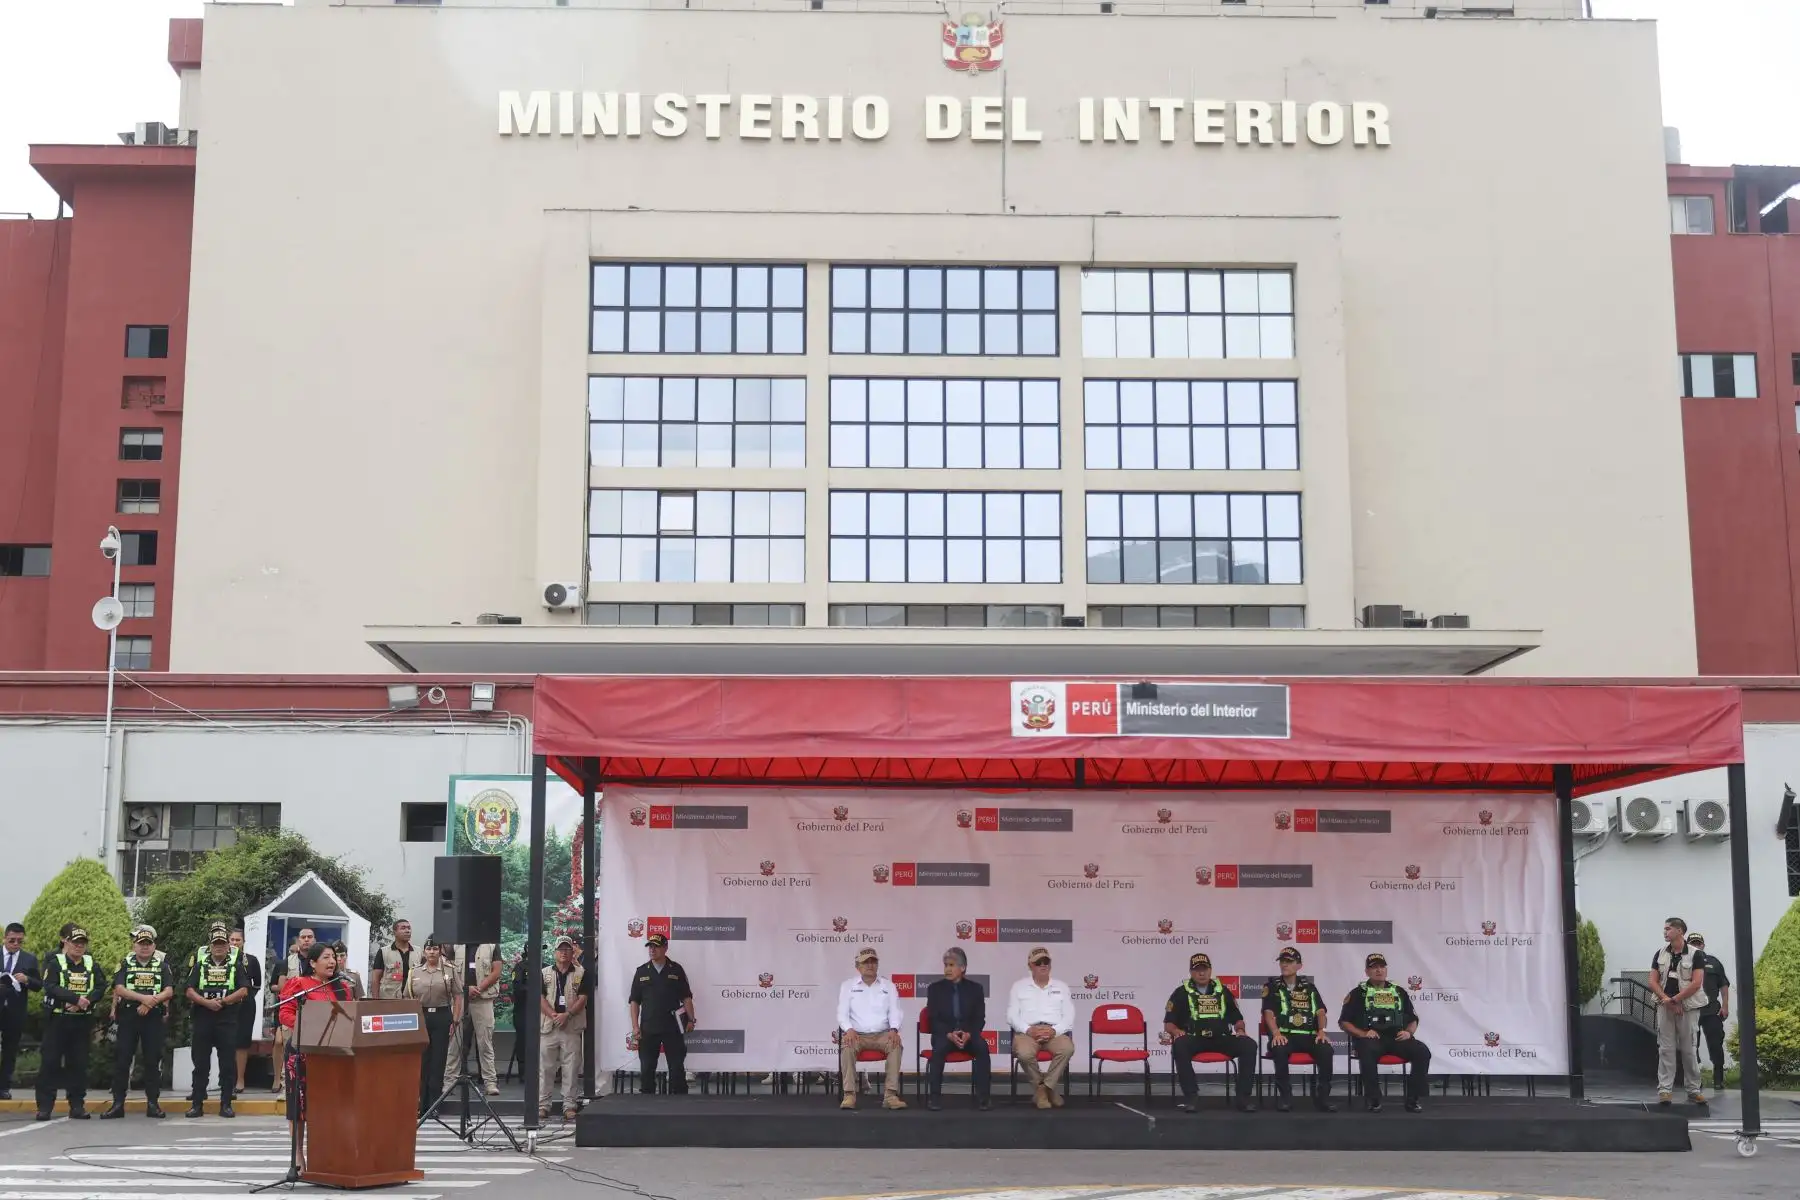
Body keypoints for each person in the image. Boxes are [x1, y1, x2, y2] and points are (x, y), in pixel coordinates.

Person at [277, 942, 355, 1168]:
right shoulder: (299, 984)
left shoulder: (342, 987)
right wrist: (308, 1029)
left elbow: (349, 1017)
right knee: (299, 1108)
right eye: (326, 957)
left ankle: (327, 1157)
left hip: (332, 1055)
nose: (332, 961)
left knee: (329, 1107)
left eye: (334, 957)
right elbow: (285, 1013)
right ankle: (298, 1156)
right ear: (312, 963)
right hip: (303, 1054)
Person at [1164, 951, 1258, 1113]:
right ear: (1191, 972)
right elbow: (1169, 1023)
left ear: (1210, 970)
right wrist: (1176, 1031)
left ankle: (1243, 1097)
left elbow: (1237, 1017)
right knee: (1179, 1046)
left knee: (1249, 1045)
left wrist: (1240, 1029)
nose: (1201, 973)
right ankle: (1191, 1096)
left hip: (1221, 1038)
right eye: (1197, 969)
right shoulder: (1181, 993)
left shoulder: (1222, 991)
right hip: (1195, 1039)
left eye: (1205, 969)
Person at [1338, 952, 1430, 1113]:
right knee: (1366, 1051)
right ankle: (1373, 1099)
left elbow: (1413, 1018)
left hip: (1397, 1038)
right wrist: (1362, 1033)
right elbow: (1344, 1022)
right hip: (1371, 1038)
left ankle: (1413, 1099)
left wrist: (1409, 1032)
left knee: (1422, 1052)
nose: (1378, 971)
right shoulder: (1357, 993)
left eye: (1381, 967)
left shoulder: (1399, 992)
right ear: (1367, 972)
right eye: (1374, 968)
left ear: (1386, 969)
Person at [105, 925, 176, 1119]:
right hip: (128, 1016)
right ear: (134, 945)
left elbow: (169, 991)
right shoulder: (125, 963)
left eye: (148, 944)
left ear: (154, 946)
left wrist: (151, 1002)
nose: (144, 947)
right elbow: (119, 988)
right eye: (141, 944)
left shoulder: (162, 965)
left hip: (153, 1018)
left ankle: (153, 1104)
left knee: (153, 1062)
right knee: (122, 1060)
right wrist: (142, 999)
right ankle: (117, 1104)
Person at [36, 923, 105, 1121]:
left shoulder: (91, 963)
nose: (79, 946)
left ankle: (77, 1106)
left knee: (79, 1065)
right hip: (57, 1020)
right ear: (67, 943)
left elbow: (101, 986)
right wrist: (74, 1000)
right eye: (75, 942)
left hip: (81, 1021)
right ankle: (45, 1108)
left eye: (82, 943)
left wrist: (86, 1002)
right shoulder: (55, 962)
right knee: (50, 1064)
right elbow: (50, 986)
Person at [185, 921, 248, 1118]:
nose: (219, 947)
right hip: (203, 1017)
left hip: (227, 1018)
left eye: (222, 944)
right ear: (210, 946)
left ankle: (226, 1104)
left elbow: (244, 990)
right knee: (201, 1063)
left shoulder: (236, 965)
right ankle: (197, 1104)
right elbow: (188, 990)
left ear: (228, 946)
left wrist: (225, 1001)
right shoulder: (200, 965)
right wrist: (206, 1002)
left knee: (227, 1064)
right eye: (216, 944)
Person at [1262, 946, 1337, 1112]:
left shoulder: (1309, 987)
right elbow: (1268, 1013)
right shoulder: (1272, 986)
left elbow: (1321, 1011)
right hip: (1284, 1035)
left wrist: (1321, 1030)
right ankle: (1285, 1096)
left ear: (1299, 965)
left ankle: (1323, 1097)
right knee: (1279, 1049)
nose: (1284, 965)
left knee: (1326, 1050)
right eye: (1282, 961)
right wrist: (1276, 1033)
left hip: (1309, 1036)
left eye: (1289, 961)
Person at [835, 946, 906, 1111]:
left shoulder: (888, 986)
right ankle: (849, 1095)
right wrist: (848, 1029)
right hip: (857, 1035)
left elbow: (895, 1011)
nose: (870, 965)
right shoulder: (847, 986)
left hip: (882, 1034)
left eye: (873, 961)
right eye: (865, 962)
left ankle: (890, 1095)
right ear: (857, 966)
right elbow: (842, 1013)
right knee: (847, 1047)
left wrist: (894, 1029)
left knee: (895, 1045)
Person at [1006, 946, 1075, 1110]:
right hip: (1027, 1033)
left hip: (1054, 1032)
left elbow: (1069, 1017)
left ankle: (1043, 1089)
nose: (1043, 965)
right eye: (1038, 963)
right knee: (1023, 1053)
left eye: (1046, 962)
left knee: (1067, 1049)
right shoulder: (1019, 986)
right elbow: (1011, 1015)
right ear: (1030, 966)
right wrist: (1029, 1029)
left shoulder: (1062, 986)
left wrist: (1054, 1030)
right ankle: (1046, 1090)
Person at [1649, 916, 1707, 1106]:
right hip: (1666, 1006)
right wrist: (1666, 1000)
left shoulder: (1695, 954)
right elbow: (1653, 981)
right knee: (1666, 1048)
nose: (1665, 932)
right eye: (1664, 929)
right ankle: (1665, 1090)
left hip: (1687, 1008)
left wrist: (1676, 1000)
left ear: (1680, 931)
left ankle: (1693, 1090)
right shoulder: (1660, 953)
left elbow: (1697, 982)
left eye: (1668, 929)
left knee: (1689, 1049)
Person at [924, 946, 990, 1111]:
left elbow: (979, 1018)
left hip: (968, 1034)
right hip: (945, 1035)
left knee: (982, 1048)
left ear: (963, 968)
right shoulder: (935, 989)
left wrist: (968, 1033)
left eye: (951, 965)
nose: (947, 969)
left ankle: (984, 1098)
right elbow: (933, 1018)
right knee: (938, 1050)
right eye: (946, 965)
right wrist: (949, 1034)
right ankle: (935, 1098)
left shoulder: (976, 989)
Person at [627, 933, 694, 1094]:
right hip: (649, 1027)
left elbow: (686, 997)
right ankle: (647, 1106)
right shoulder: (641, 971)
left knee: (677, 1067)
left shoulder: (676, 969)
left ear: (665, 948)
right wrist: (635, 1026)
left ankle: (678, 1105)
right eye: (650, 946)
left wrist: (691, 1019)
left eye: (656, 946)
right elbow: (634, 1001)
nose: (652, 950)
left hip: (673, 1026)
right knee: (647, 1068)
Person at [540, 935, 591, 1121]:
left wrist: (567, 1015)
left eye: (567, 949)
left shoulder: (581, 973)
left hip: (571, 1027)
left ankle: (569, 1105)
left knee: (571, 1067)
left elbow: (583, 998)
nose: (563, 952)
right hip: (548, 1026)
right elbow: (540, 998)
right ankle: (543, 1105)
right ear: (554, 952)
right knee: (545, 1068)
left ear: (572, 952)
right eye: (560, 949)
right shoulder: (544, 972)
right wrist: (553, 1015)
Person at [414, 938, 462, 1114]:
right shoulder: (415, 972)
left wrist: (455, 1019)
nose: (432, 952)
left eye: (435, 948)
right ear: (424, 952)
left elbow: (458, 996)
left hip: (442, 1016)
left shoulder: (449, 971)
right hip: (421, 1016)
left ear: (440, 951)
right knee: (423, 1061)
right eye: (429, 949)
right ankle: (422, 1103)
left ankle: (435, 1104)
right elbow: (407, 997)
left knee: (438, 1061)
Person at [269, 927, 315, 1095]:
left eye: (310, 937)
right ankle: (282, 1082)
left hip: (312, 1010)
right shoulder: (286, 962)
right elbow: (273, 986)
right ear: (298, 941)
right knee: (286, 1045)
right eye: (303, 937)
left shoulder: (318, 961)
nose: (306, 940)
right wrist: (286, 987)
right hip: (289, 1008)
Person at [456, 940, 503, 1096]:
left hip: (483, 999)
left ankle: (490, 1082)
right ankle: (449, 1081)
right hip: (460, 999)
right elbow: (448, 970)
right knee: (455, 1041)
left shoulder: (491, 945)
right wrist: (465, 988)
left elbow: (497, 971)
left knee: (485, 1043)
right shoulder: (456, 945)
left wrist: (479, 988)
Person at [1, 922, 40, 1100]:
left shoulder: (29, 959)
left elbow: (39, 985)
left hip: (15, 1010)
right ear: (5, 938)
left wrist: (27, 980)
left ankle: (4, 1086)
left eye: (19, 941)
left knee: (10, 1050)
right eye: (12, 940)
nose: (15, 944)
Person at [1688, 932, 1732, 1092]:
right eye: (1692, 943)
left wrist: (1725, 1006)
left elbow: (1724, 986)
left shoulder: (1713, 962)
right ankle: (1695, 1081)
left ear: (1703, 945)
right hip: (1691, 1010)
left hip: (1712, 1010)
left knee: (1716, 1045)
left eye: (1698, 943)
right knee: (1692, 1046)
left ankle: (1719, 1080)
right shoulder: (1684, 963)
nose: (1696, 946)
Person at [228, 930, 264, 1094]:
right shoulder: (222, 960)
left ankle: (240, 1080)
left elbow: (257, 984)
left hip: (245, 1005)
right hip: (225, 1005)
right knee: (226, 1041)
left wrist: (245, 996)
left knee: (242, 1042)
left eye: (238, 940)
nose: (234, 943)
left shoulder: (251, 960)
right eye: (232, 940)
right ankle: (226, 1079)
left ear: (243, 942)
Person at [372, 920, 417, 1000]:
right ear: (395, 932)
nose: (407, 931)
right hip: (389, 999)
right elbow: (376, 978)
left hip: (411, 999)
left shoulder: (419, 952)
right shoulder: (384, 952)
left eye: (409, 928)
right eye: (403, 928)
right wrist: (375, 1001)